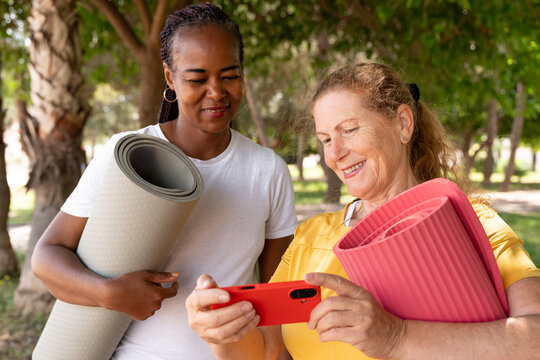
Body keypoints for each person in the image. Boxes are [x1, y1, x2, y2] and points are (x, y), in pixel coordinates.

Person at [185, 62, 540, 360]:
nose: (335, 153)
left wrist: (395, 337)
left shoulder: (467, 220)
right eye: (325, 139)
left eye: (349, 130)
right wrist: (221, 333)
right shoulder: (311, 236)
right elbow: (265, 348)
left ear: (403, 123)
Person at [31, 4, 297, 360]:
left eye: (230, 75)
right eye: (197, 79)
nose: (216, 92)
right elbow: (47, 257)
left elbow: (275, 297)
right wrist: (109, 293)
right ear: (170, 77)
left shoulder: (268, 171)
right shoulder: (127, 156)